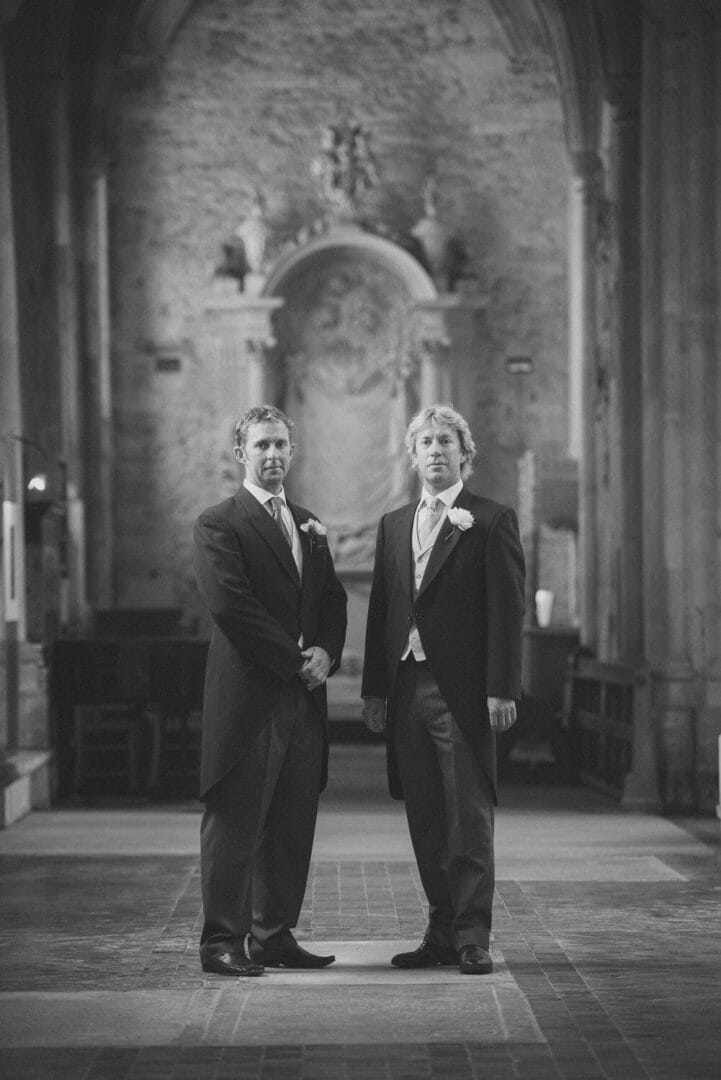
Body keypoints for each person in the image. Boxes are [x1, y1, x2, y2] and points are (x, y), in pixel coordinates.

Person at [361, 403, 525, 975]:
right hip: (406, 686)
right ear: (412, 456)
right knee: (426, 816)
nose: (435, 450)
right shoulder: (393, 524)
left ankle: (473, 935)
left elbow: (507, 612)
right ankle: (439, 929)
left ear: (465, 455)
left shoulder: (491, 519)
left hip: (462, 691)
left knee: (468, 817)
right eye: (425, 442)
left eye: (446, 442)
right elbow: (382, 609)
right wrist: (376, 690)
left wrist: (502, 687)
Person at [193, 404, 347, 976]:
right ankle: (221, 941)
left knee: (291, 820)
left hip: (303, 698)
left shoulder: (308, 522)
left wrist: (326, 653)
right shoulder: (220, 522)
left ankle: (274, 934)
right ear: (241, 453)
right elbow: (233, 605)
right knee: (236, 822)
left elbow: (333, 600)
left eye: (281, 445)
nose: (273, 455)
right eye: (262, 446)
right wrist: (295, 661)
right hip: (251, 697)